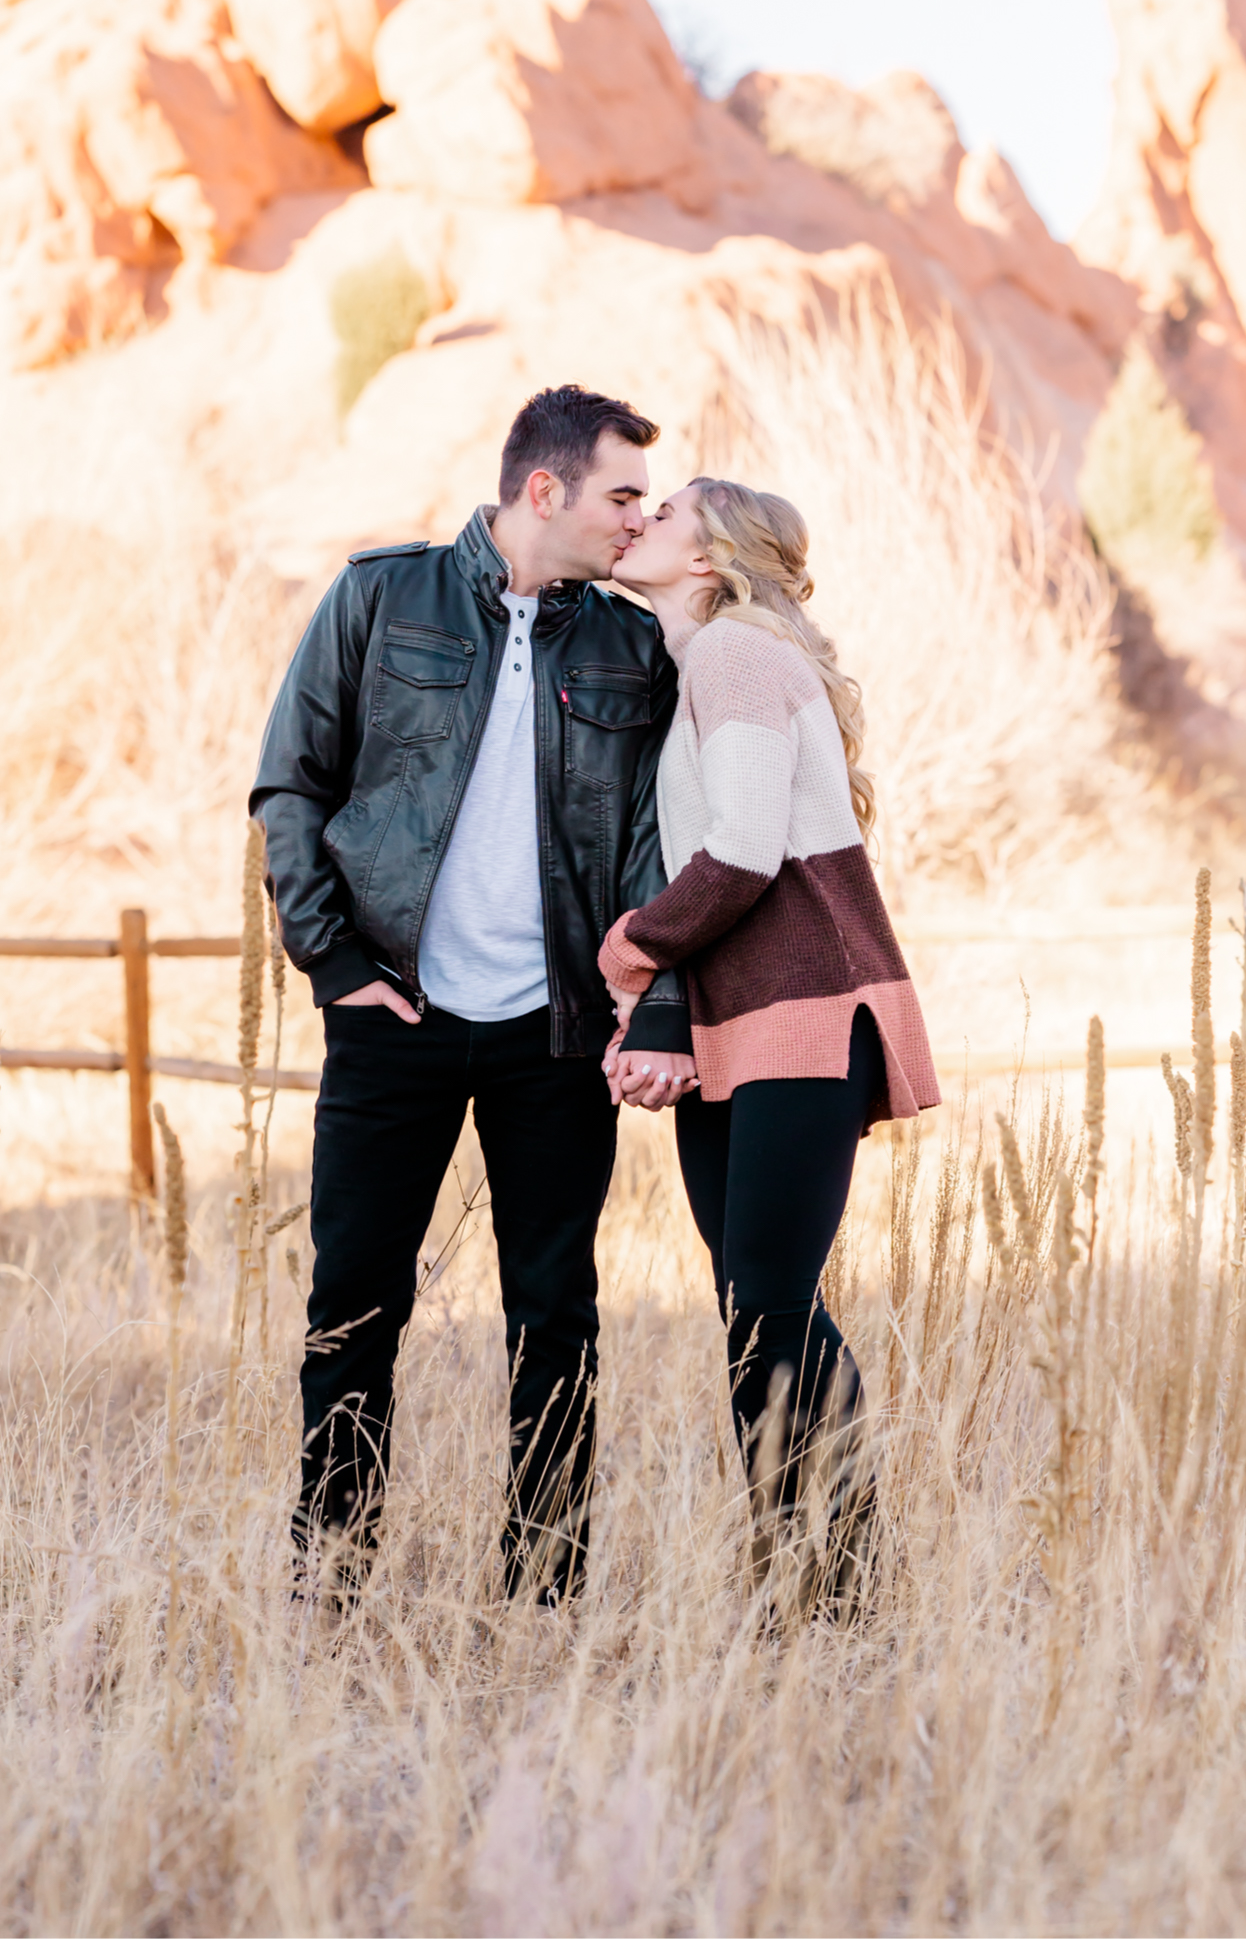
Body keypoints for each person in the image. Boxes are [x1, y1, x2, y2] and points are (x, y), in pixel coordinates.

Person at [251, 385, 698, 1605]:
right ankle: (330, 1580)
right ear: (543, 491)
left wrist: (651, 1006)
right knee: (355, 1306)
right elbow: (290, 785)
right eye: (621, 495)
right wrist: (335, 965)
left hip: (552, 1030)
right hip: (394, 1015)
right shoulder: (380, 595)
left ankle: (544, 1590)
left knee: (557, 1313)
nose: (636, 519)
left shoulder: (626, 643)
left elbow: (653, 843)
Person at [600, 478, 941, 1610]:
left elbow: (742, 854)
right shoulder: (710, 658)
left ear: (709, 560)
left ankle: (836, 1584)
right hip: (741, 1023)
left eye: (668, 512)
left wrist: (634, 947)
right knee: (758, 1304)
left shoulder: (735, 656)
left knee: (769, 1300)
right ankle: (801, 1568)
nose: (640, 521)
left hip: (802, 1013)